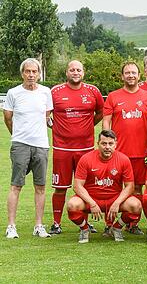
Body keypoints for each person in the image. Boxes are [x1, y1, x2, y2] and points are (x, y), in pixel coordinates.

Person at [49, 60, 104, 235]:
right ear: (67, 72)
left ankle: (86, 223)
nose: (75, 72)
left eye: (78, 70)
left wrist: (88, 127)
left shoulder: (93, 91)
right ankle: (56, 223)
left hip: (86, 148)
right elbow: (46, 113)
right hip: (62, 148)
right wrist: (55, 126)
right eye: (72, 70)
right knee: (60, 187)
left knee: (86, 186)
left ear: (83, 72)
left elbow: (100, 113)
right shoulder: (55, 91)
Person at [102, 61, 147, 235]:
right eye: (127, 73)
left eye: (133, 72)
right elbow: (106, 122)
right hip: (117, 154)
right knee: (113, 188)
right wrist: (106, 146)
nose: (130, 75)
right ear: (122, 76)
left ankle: (133, 223)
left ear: (139, 76)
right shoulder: (113, 96)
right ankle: (109, 224)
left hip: (141, 152)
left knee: (138, 187)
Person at [4, 58, 53, 239]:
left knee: (40, 186)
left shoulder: (46, 92)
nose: (31, 75)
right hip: (20, 145)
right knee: (16, 185)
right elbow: (8, 118)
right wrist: (17, 136)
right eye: (28, 71)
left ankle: (39, 226)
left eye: (34, 72)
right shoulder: (13, 93)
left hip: (41, 145)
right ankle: (11, 226)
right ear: (22, 73)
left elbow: (46, 117)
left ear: (39, 74)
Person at [66, 130, 142, 243]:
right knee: (72, 205)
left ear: (116, 144)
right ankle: (84, 229)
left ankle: (116, 228)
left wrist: (116, 203)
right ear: (98, 143)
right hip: (91, 199)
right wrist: (92, 203)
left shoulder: (123, 159)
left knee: (136, 205)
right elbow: (77, 186)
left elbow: (129, 187)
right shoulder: (86, 159)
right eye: (104, 143)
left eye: (110, 144)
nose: (107, 147)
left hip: (114, 198)